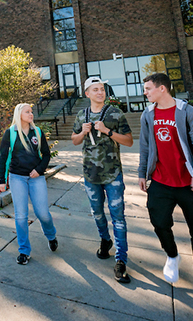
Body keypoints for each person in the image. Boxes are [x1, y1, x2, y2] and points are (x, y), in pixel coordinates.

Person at [138, 72, 193, 306]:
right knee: (160, 223)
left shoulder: (187, 112)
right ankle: (172, 255)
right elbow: (145, 146)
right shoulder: (148, 114)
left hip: (189, 183)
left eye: (148, 88)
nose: (145, 92)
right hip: (161, 181)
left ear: (162, 89)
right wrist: (143, 174)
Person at [71, 77, 134, 283]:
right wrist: (83, 131)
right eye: (95, 90)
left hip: (113, 174)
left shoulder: (115, 113)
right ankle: (105, 240)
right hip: (91, 175)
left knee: (118, 216)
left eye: (102, 89)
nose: (100, 92)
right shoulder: (82, 115)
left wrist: (107, 130)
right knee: (97, 213)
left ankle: (121, 260)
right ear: (87, 93)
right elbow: (74, 140)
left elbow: (129, 141)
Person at [0, 103, 57, 265]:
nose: (31, 114)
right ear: (19, 114)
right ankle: (24, 251)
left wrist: (39, 170)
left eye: (31, 112)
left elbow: (46, 155)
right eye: (28, 112)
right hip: (17, 177)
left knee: (43, 213)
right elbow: (3, 158)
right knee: (21, 215)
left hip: (36, 178)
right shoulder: (10, 133)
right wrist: (2, 180)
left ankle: (51, 236)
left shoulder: (37, 132)